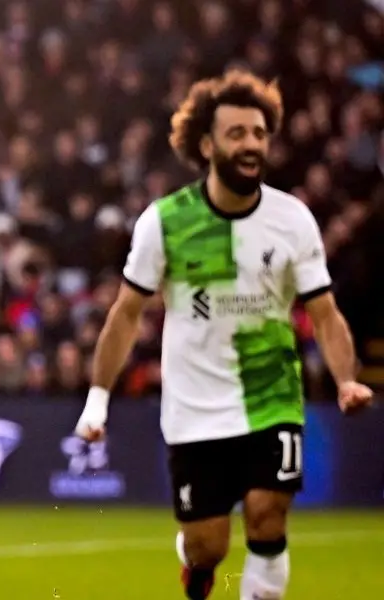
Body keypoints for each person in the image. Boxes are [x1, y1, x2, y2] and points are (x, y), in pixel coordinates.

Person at [73, 69, 373, 600]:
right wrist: (97, 401)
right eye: (237, 134)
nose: (251, 144)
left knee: (267, 515)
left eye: (259, 133)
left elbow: (324, 314)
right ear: (207, 145)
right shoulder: (165, 222)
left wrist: (346, 379)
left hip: (271, 394)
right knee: (208, 545)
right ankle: (196, 560)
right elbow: (126, 314)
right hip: (195, 406)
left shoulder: (293, 220)